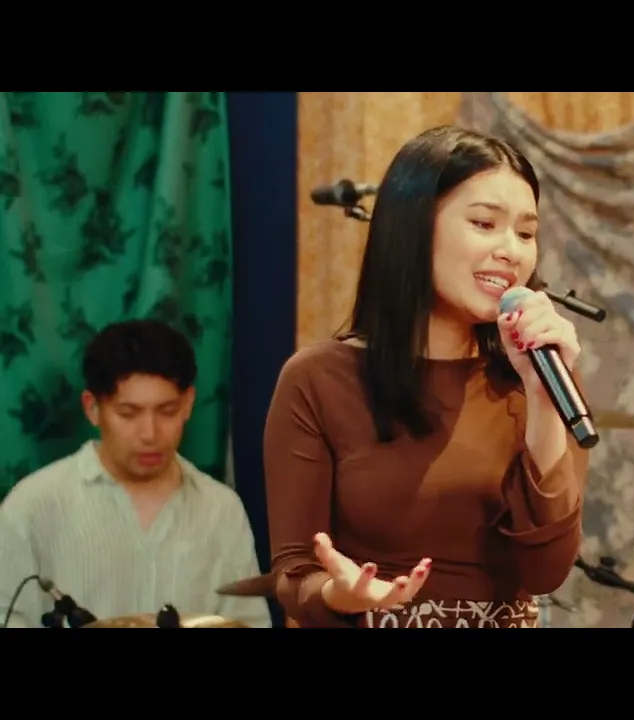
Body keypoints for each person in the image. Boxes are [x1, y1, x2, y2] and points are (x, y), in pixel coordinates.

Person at [264, 125, 590, 629]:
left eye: (526, 233)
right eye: (484, 223)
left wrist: (542, 396)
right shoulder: (317, 380)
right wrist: (339, 594)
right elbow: (293, 573)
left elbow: (547, 572)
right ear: (413, 228)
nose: (512, 251)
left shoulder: (542, 379)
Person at [0, 320, 270, 628]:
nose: (150, 433)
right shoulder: (32, 507)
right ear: (92, 408)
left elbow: (247, 622)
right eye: (128, 414)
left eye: (167, 411)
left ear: (188, 403)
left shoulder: (221, 509)